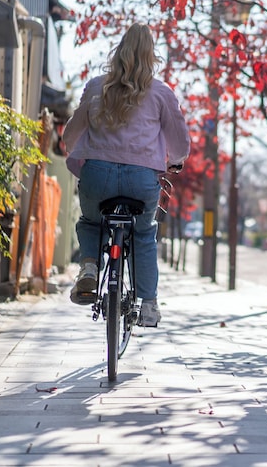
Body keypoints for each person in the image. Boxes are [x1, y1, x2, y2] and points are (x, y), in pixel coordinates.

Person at [63, 24, 190, 327]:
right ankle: (148, 305)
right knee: (144, 234)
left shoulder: (96, 86)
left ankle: (91, 267)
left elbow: (70, 135)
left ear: (118, 51)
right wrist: (177, 161)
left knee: (92, 222)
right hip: (141, 179)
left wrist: (72, 148)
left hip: (97, 175)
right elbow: (179, 142)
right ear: (151, 56)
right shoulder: (161, 93)